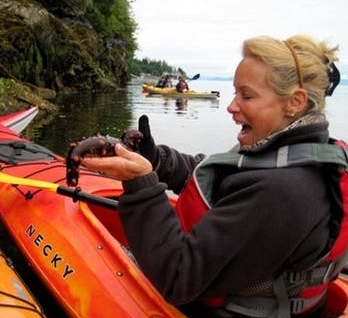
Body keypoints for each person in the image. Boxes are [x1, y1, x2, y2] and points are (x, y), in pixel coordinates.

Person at [81, 34, 345, 317]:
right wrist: (157, 160)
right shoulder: (298, 152)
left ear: (294, 102)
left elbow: (178, 278)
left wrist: (141, 184)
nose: (231, 106)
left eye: (247, 95)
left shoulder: (280, 191)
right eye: (234, 93)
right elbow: (224, 175)